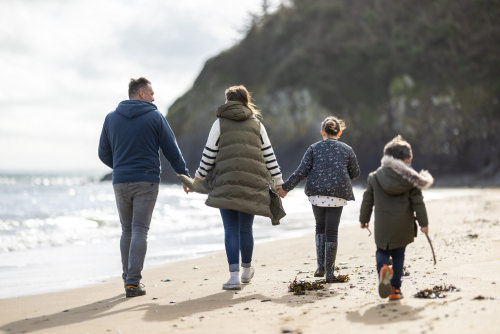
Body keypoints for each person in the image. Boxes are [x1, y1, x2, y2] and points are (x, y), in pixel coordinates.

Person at [179, 85, 285, 290]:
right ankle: (247, 271)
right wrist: (279, 182)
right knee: (246, 228)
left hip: (225, 183)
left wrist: (197, 180)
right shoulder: (257, 124)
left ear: (227, 101)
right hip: (252, 184)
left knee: (230, 229)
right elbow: (269, 155)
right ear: (246, 101)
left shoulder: (219, 123)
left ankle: (234, 276)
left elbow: (208, 155)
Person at [98, 77, 190, 297]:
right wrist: (184, 175)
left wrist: (121, 166)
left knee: (127, 230)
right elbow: (171, 149)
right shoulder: (155, 116)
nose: (153, 97)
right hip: (146, 180)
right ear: (141, 94)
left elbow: (103, 153)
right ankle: (133, 282)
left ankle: (127, 279)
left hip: (120, 180)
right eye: (151, 93)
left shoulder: (111, 118)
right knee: (139, 230)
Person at [277, 116, 360, 283]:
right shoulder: (347, 149)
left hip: (317, 195)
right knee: (332, 231)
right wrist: (342, 175)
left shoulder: (313, 148)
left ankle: (320, 267)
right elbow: (355, 173)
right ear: (340, 132)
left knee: (319, 227)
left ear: (322, 132)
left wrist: (285, 188)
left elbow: (301, 171)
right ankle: (330, 272)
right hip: (338, 194)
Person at [359, 135, 433, 301]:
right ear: (405, 160)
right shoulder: (411, 180)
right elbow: (418, 203)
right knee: (399, 254)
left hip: (383, 225)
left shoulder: (374, 177)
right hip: (403, 225)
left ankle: (383, 268)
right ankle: (395, 290)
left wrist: (364, 219)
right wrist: (424, 224)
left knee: (382, 251)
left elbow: (367, 200)